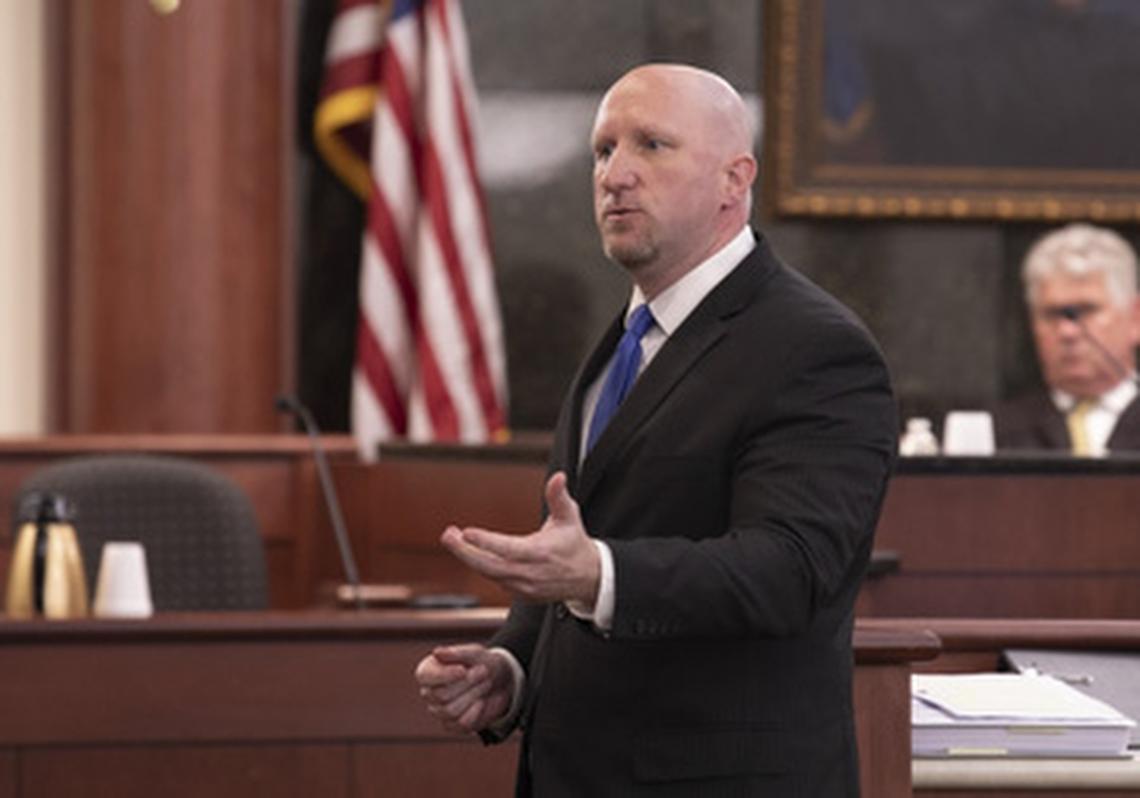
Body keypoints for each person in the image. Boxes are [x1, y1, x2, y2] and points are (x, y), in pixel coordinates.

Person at [413, 63, 897, 796]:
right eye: (603, 151)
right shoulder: (624, 341)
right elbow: (576, 545)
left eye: (652, 146)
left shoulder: (816, 348)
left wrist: (600, 574)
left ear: (735, 180)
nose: (616, 175)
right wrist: (512, 668)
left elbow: (790, 571)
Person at [995, 223, 1140, 455]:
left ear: (1135, 318)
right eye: (1051, 314)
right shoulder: (996, 433)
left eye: (1086, 310)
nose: (1067, 331)